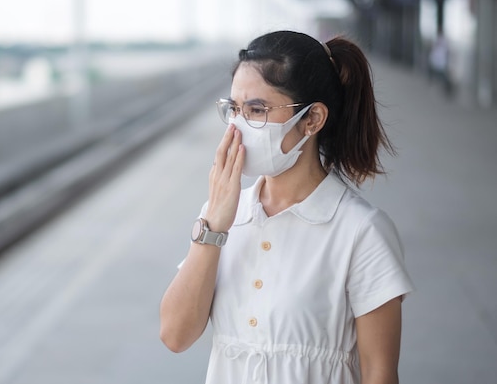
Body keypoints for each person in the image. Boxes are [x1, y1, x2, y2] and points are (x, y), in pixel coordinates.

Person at [159, 30, 415, 384]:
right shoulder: (223, 216)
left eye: (257, 109)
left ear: (312, 119)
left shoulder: (361, 231)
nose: (238, 125)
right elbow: (175, 335)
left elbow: (380, 374)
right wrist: (214, 226)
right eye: (233, 108)